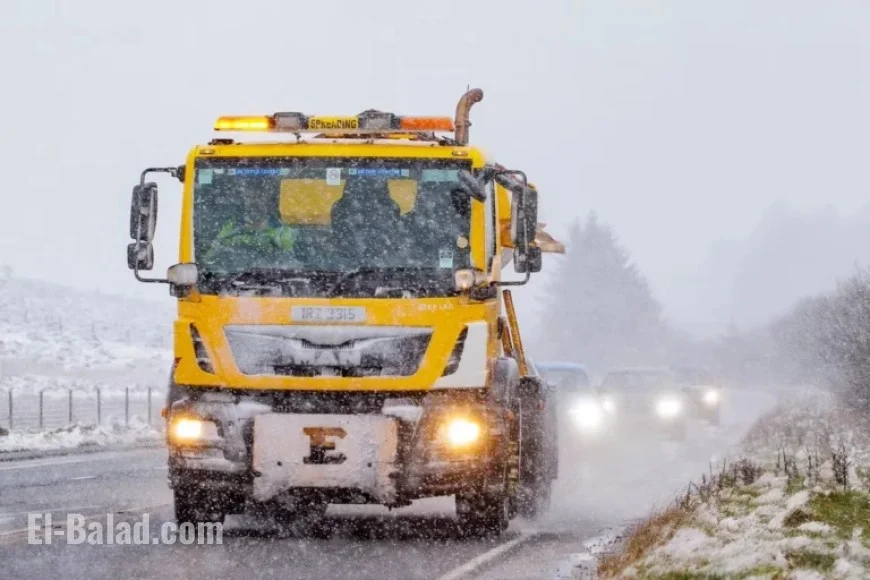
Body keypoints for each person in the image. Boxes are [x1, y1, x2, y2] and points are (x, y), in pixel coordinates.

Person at [202, 184, 297, 267]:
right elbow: (210, 258)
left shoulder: (283, 230)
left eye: (259, 197)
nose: (254, 201)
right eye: (249, 197)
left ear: (269, 202)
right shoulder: (231, 225)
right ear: (244, 200)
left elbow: (292, 263)